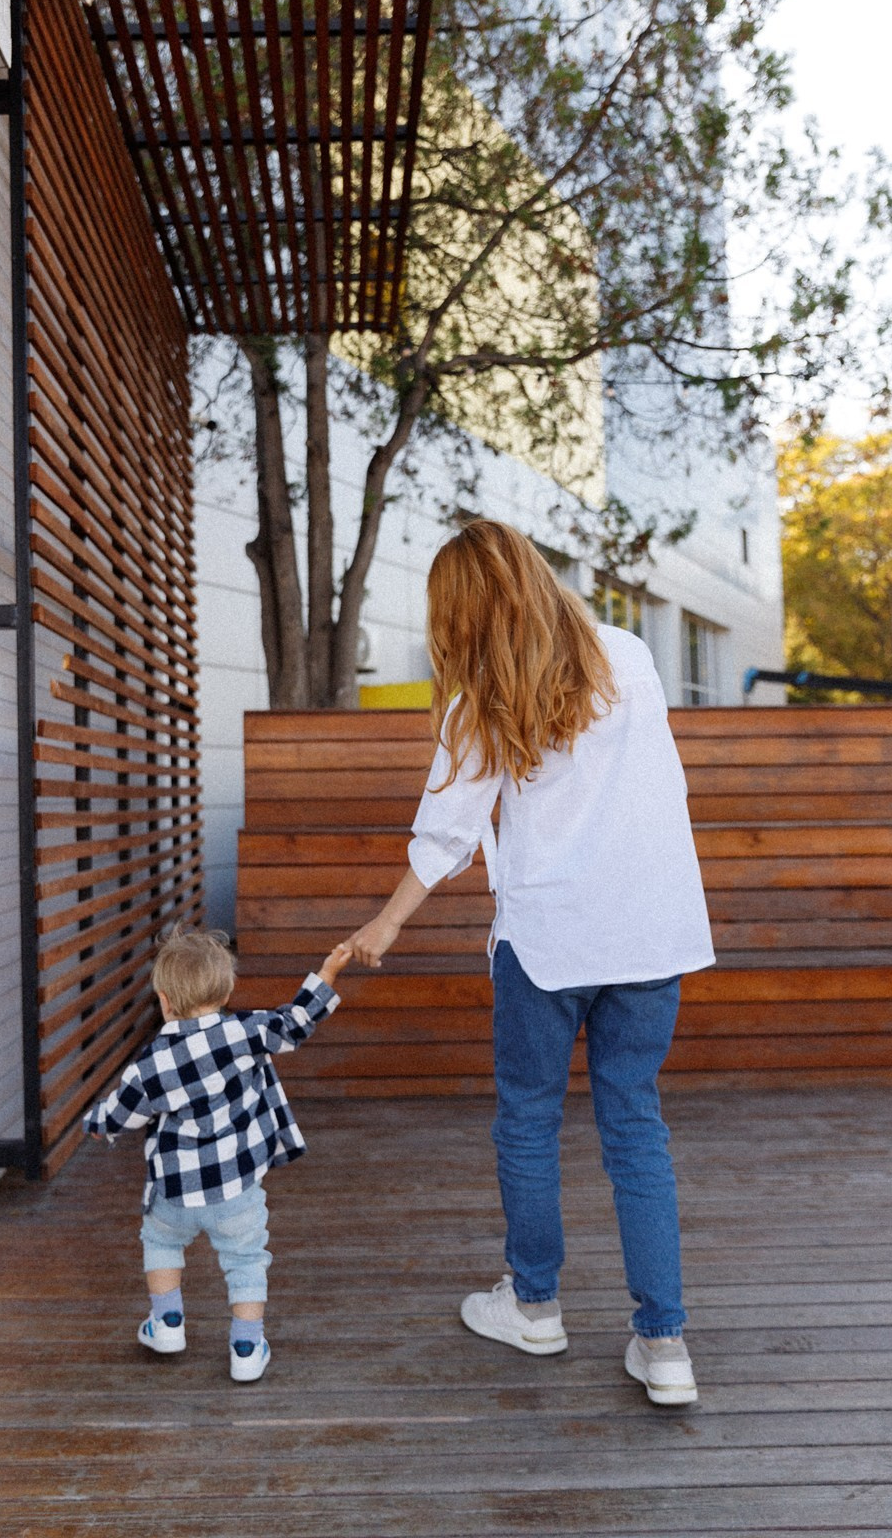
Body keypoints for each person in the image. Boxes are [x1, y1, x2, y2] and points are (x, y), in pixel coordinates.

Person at [345, 520, 714, 1406]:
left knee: (526, 1121)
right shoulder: (626, 655)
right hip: (649, 931)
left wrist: (384, 927)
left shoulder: (481, 697)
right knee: (635, 1127)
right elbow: (657, 786)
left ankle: (536, 1307)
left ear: (462, 611)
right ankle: (664, 1344)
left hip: (548, 944)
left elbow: (447, 833)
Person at [84, 923, 351, 1383]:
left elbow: (118, 1114)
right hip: (237, 1188)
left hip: (176, 1194)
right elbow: (296, 1021)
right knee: (246, 1260)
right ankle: (246, 1348)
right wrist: (326, 971)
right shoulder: (246, 1033)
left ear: (165, 1000)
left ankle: (167, 1325)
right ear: (226, 989)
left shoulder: (151, 1064)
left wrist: (95, 1125)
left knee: (161, 1243)